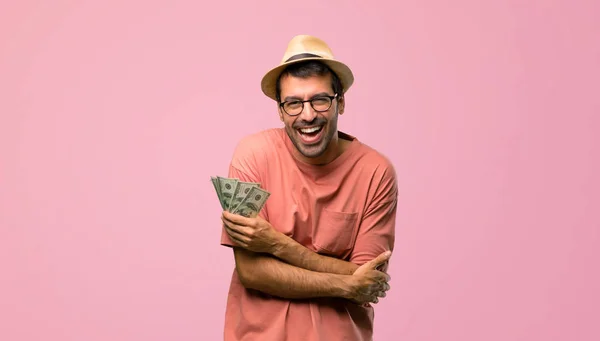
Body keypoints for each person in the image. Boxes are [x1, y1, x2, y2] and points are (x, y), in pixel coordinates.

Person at [219, 34, 398, 341]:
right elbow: (252, 273)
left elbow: (370, 279)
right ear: (279, 110)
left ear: (340, 102)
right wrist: (346, 283)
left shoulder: (377, 172)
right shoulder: (251, 156)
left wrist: (275, 243)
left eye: (320, 99)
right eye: (293, 103)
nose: (308, 115)